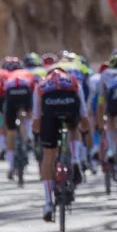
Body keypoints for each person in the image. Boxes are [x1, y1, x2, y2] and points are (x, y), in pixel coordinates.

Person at [35, 59, 89, 221]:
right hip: (70, 104)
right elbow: (84, 113)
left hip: (49, 107)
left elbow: (36, 119)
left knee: (49, 155)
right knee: (73, 128)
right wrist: (85, 130)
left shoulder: (42, 84)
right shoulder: (73, 81)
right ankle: (74, 158)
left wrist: (39, 135)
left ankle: (48, 202)